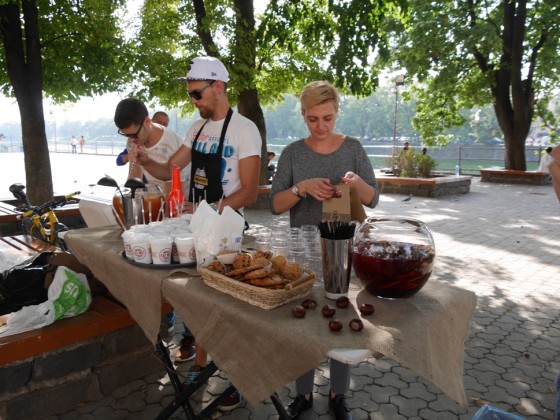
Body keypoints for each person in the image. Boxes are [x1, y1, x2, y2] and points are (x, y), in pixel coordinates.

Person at [136, 56, 262, 409]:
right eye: (190, 94)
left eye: (196, 93)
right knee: (199, 305)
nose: (192, 100)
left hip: (228, 231)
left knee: (227, 309)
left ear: (218, 86)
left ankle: (237, 379)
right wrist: (147, 161)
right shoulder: (196, 129)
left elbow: (250, 192)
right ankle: (201, 367)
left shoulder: (245, 130)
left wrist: (208, 210)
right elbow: (170, 169)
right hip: (197, 228)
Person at [269, 80, 379, 419]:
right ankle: (302, 394)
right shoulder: (292, 153)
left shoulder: (353, 148)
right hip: (303, 255)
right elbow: (274, 205)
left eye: (327, 118)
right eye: (313, 119)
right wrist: (300, 188)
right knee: (303, 325)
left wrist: (356, 183)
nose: (320, 126)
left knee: (342, 320)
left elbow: (373, 198)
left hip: (342, 253)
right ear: (303, 115)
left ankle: (337, 394)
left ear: (337, 113)